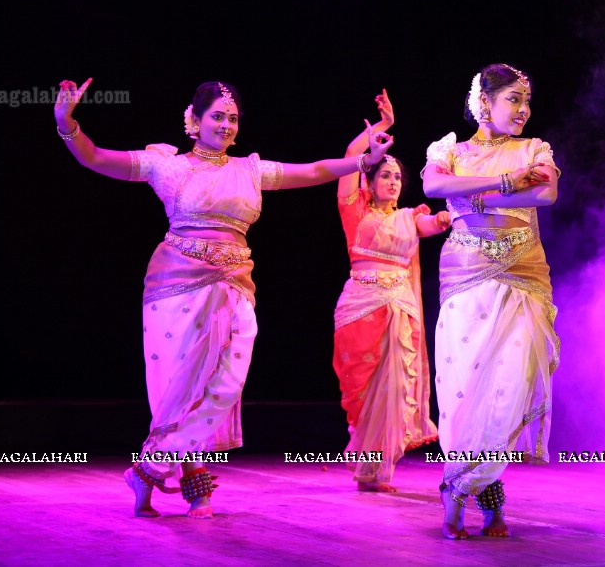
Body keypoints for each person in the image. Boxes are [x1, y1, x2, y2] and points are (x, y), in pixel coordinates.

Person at [53, 78, 393, 519]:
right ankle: (189, 484)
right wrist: (66, 122)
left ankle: (149, 468)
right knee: (180, 391)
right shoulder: (167, 166)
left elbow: (311, 170)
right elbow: (97, 158)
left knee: (225, 383)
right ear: (193, 120)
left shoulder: (249, 170)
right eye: (217, 115)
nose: (227, 125)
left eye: (233, 118)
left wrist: (362, 160)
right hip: (176, 286)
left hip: (234, 285)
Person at [421, 63, 560, 539]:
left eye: (526, 101)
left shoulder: (535, 148)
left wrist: (472, 200)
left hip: (523, 277)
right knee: (465, 391)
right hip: (466, 278)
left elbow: (545, 193)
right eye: (513, 100)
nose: (523, 110)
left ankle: (472, 489)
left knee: (509, 388)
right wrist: (504, 184)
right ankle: (468, 492)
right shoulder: (449, 150)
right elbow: (434, 187)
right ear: (485, 103)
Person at [332, 89, 450, 492]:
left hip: (400, 308)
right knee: (363, 390)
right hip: (360, 308)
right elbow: (349, 158)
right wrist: (380, 129)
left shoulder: (407, 218)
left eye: (398, 176)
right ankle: (364, 463)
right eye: (385, 174)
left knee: (397, 388)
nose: (393, 181)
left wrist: (448, 217)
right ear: (369, 178)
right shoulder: (354, 208)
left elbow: (431, 224)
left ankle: (380, 471)